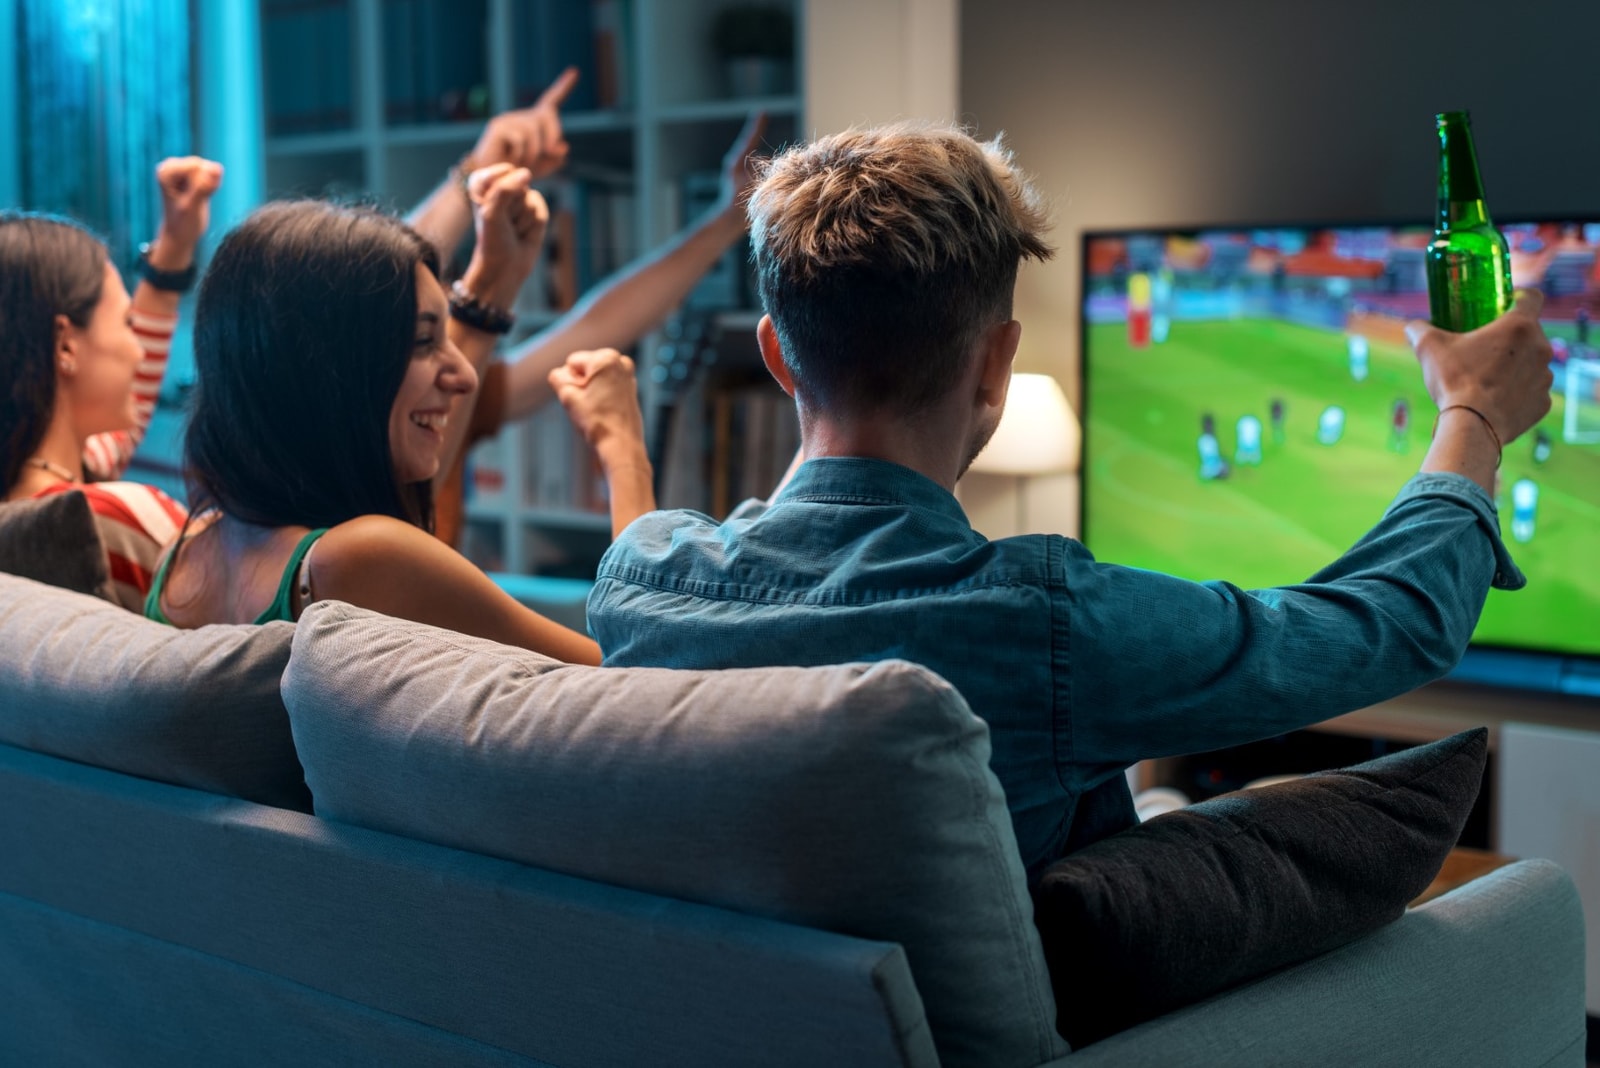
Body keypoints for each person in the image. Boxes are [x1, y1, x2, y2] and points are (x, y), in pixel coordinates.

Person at [582, 122, 1555, 881]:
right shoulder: (1040, 625)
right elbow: (1383, 628)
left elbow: (645, 548)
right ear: (997, 363)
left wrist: (626, 456)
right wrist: (1471, 412)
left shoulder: (641, 580)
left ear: (775, 356)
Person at [144, 168, 640, 663]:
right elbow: (641, 673)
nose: (465, 376)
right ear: (328, 374)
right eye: (424, 341)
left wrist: (494, 284)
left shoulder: (184, 559)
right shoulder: (362, 559)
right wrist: (623, 452)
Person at [402, 69, 767, 546]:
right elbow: (379, 277)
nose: (460, 372)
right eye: (425, 338)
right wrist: (472, 174)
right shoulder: (357, 533)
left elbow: (597, 326)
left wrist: (725, 221)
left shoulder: (454, 388)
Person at [1, 157, 223, 608]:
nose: (138, 350)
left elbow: (130, 409)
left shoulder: (29, 495)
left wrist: (174, 243)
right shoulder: (123, 518)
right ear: (66, 347)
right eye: (125, 323)